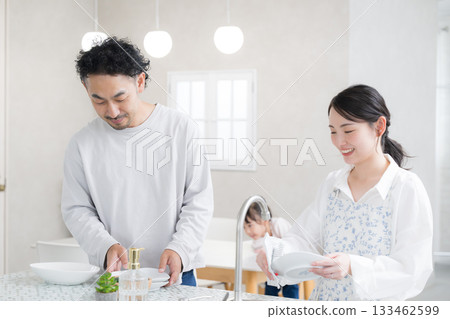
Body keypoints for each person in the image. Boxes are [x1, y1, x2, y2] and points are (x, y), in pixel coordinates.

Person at [61, 37, 214, 287]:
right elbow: (76, 209)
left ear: (140, 82)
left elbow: (198, 200)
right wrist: (105, 245)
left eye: (120, 98)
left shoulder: (180, 128)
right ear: (85, 89)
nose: (111, 111)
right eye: (98, 100)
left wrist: (180, 249)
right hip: (115, 275)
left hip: (175, 273)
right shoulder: (82, 144)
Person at [256, 84, 433, 300]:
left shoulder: (406, 187)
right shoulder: (333, 184)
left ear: (379, 127)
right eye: (333, 131)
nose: (340, 142)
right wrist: (275, 253)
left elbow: (413, 269)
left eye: (348, 131)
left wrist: (353, 266)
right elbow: (305, 240)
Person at [244, 202, 298, 298]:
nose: (247, 231)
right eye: (244, 227)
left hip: (290, 266)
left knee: (290, 286)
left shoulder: (279, 225)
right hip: (275, 271)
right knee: (270, 285)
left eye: (250, 225)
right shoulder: (258, 240)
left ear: (264, 221)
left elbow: (292, 243)